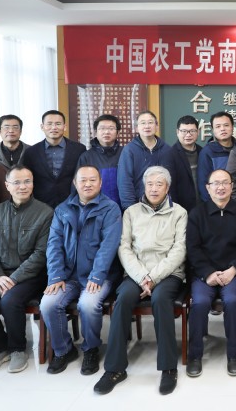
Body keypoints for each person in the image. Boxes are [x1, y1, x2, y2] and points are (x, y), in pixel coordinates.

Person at [94, 166, 186, 395]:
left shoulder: (179, 213)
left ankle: (168, 368)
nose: (154, 188)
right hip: (136, 273)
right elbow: (124, 247)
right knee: (123, 299)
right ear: (144, 186)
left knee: (161, 299)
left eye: (159, 184)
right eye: (150, 184)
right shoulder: (131, 212)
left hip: (168, 273)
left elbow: (179, 250)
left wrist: (153, 277)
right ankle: (114, 369)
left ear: (167, 188)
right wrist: (142, 276)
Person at [40, 166, 122, 376]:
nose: (87, 184)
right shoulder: (62, 209)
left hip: (99, 275)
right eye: (83, 180)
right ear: (75, 183)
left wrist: (97, 275)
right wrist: (56, 275)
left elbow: (108, 247)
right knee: (48, 304)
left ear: (100, 183)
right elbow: (54, 245)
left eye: (93, 180)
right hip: (68, 276)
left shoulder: (110, 209)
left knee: (88, 304)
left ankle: (91, 348)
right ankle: (64, 350)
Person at [0, 166, 53, 373]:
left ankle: (17, 349)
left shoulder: (45, 213)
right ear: (7, 186)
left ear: (33, 184)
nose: (22, 186)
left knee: (10, 301)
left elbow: (41, 254)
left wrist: (15, 278)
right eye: (16, 182)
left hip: (30, 275)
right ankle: (0, 348)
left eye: (27, 181)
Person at [185, 169, 236, 378]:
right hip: (204, 274)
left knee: (233, 301)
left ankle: (234, 355)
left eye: (225, 183)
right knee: (199, 303)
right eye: (216, 183)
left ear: (232, 186)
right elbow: (193, 248)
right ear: (208, 188)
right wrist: (208, 273)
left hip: (234, 273)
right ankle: (195, 356)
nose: (221, 187)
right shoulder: (197, 214)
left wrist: (233, 270)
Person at [21, 110, 87, 208]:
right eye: (49, 124)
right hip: (40, 205)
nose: (54, 127)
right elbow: (27, 179)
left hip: (72, 203)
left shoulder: (79, 149)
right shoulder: (31, 152)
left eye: (58, 124)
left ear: (65, 126)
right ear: (42, 127)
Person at [117, 110, 177, 209]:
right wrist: (130, 209)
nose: (147, 126)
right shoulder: (129, 150)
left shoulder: (167, 150)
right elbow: (125, 182)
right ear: (137, 128)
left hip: (164, 207)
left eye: (150, 122)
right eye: (143, 123)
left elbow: (172, 182)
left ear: (157, 126)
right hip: (138, 207)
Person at [77, 114, 123, 209]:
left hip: (123, 208)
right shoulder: (86, 157)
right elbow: (78, 185)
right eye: (102, 128)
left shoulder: (126, 153)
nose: (106, 132)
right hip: (95, 209)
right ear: (95, 132)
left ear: (118, 132)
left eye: (111, 128)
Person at [198, 111, 236, 202]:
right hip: (218, 204)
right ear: (213, 130)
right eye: (218, 126)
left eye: (226, 125)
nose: (222, 129)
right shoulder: (207, 152)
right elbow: (203, 184)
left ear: (232, 127)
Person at [170, 115, 202, 212]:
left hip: (203, 209)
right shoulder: (170, 154)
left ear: (198, 132)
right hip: (181, 209)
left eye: (192, 131)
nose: (188, 135)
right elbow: (170, 188)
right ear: (177, 132)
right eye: (184, 131)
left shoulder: (203, 152)